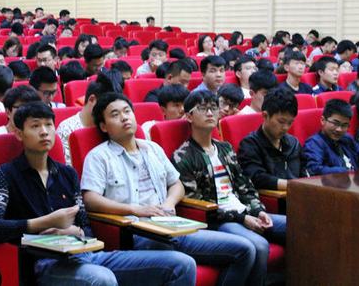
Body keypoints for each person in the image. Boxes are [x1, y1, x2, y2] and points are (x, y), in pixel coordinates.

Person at [0, 101, 196, 285]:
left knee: (181, 264)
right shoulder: (5, 174)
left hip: (85, 254)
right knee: (102, 279)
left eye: (48, 125)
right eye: (35, 126)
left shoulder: (67, 174)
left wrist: (77, 231)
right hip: (43, 262)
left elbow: (86, 225)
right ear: (19, 134)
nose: (44, 131)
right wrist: (43, 224)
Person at [82, 92, 259, 286]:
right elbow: (90, 199)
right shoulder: (99, 157)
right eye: (115, 115)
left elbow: (176, 184)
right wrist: (136, 210)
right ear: (103, 126)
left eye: (127, 111)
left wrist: (169, 203)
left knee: (245, 249)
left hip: (171, 225)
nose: (124, 117)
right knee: (182, 263)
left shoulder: (153, 149)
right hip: (137, 232)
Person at [172, 90, 286, 285]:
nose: (210, 113)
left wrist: (258, 211)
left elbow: (245, 185)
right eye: (202, 108)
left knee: (297, 226)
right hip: (218, 220)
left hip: (244, 211)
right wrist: (242, 218)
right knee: (259, 246)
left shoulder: (225, 148)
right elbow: (198, 205)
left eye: (213, 108)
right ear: (189, 116)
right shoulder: (183, 156)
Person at [303, 99, 359, 175]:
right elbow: (313, 169)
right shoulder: (315, 143)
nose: (339, 129)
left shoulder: (347, 139)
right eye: (335, 123)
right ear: (323, 120)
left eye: (344, 125)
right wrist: (346, 172)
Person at [238, 88, 304, 191]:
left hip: (299, 194)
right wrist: (292, 186)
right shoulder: (250, 144)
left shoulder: (293, 143)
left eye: (290, 123)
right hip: (274, 198)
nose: (286, 127)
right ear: (265, 115)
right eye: (281, 122)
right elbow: (256, 177)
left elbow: (305, 172)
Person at [57, 73, 123, 164]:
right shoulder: (67, 129)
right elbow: (69, 169)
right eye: (107, 106)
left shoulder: (112, 126)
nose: (111, 111)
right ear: (92, 100)